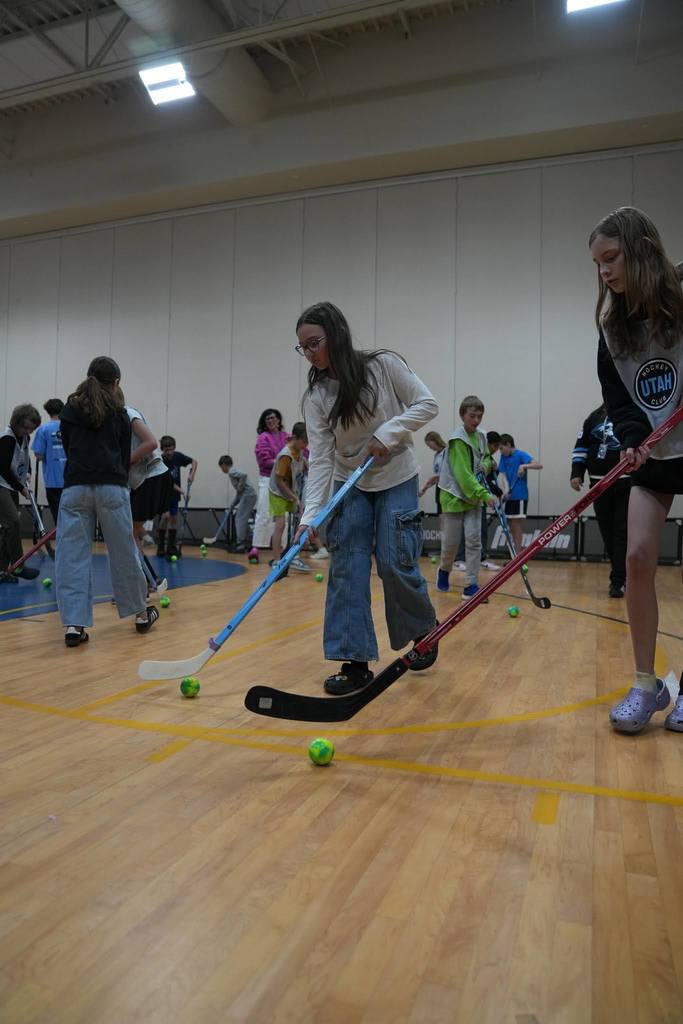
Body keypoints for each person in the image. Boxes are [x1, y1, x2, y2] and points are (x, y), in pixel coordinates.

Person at [293, 301, 439, 695]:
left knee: (394, 560)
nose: (309, 353)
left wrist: (388, 433)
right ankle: (354, 661)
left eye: (314, 343)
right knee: (348, 567)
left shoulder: (384, 365)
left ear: (336, 334)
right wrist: (309, 517)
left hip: (396, 474)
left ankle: (423, 629)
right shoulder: (317, 395)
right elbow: (321, 459)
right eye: (303, 347)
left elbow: (428, 404)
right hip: (350, 481)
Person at [589, 207, 683, 734]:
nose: (605, 271)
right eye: (598, 264)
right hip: (655, 452)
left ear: (642, 247)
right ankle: (647, 684)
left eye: (612, 257)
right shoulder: (612, 328)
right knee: (638, 557)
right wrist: (631, 439)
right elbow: (619, 397)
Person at [56, 356, 159, 646]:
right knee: (124, 552)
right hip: (112, 488)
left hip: (75, 488)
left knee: (71, 557)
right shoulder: (120, 413)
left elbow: (69, 448)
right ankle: (141, 614)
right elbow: (123, 454)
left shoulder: (69, 411)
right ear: (116, 383)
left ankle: (74, 626)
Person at [437, 396, 497, 597]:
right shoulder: (457, 441)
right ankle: (444, 570)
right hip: (454, 496)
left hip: (473, 497)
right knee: (451, 544)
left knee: (474, 541)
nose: (476, 420)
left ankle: (471, 585)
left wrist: (486, 466)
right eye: (472, 416)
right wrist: (485, 494)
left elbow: (487, 457)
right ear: (462, 415)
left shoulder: (482, 436)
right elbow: (463, 476)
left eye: (479, 416)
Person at [570, 403, 630, 598]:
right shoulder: (593, 417)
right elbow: (581, 446)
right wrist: (576, 473)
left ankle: (618, 580)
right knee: (608, 532)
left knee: (621, 532)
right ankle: (620, 573)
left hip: (626, 483)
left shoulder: (630, 411)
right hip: (599, 486)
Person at [127, 407, 174, 568]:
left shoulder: (128, 414)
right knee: (133, 528)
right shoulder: (124, 417)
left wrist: (125, 462)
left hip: (150, 477)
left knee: (132, 530)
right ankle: (145, 572)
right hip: (148, 479)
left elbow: (151, 443)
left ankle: (143, 575)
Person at [0, 404, 42, 582]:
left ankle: (2, 571)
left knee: (7, 529)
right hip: (2, 484)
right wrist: (21, 487)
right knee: (13, 522)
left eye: (32, 428)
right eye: (26, 427)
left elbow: (24, 457)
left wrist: (28, 472)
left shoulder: (24, 436)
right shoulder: (7, 439)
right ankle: (19, 566)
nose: (28, 431)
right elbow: (3, 468)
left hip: (10, 485)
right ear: (16, 422)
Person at [454, 429, 502, 572]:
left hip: (480, 499)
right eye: (495, 446)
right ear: (489, 444)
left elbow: (488, 479)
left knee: (482, 529)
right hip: (466, 497)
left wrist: (495, 469)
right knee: (465, 529)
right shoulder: (475, 455)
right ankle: (459, 559)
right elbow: (474, 479)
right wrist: (496, 491)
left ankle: (482, 558)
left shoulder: (489, 459)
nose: (496, 450)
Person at [268, 421, 309, 574]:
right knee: (280, 525)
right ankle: (276, 560)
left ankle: (293, 556)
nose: (306, 445)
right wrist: (294, 497)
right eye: (304, 441)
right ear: (295, 437)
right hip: (278, 493)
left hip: (291, 491)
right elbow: (279, 481)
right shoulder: (285, 455)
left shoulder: (299, 451)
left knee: (296, 525)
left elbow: (301, 465)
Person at [497, 433, 543, 552]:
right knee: (509, 525)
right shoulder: (503, 457)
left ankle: (518, 556)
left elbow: (539, 465)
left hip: (520, 495)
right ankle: (513, 555)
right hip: (509, 497)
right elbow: (503, 475)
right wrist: (505, 491)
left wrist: (524, 466)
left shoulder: (521, 454)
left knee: (516, 525)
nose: (500, 451)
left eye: (501, 448)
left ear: (508, 444)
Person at [253, 409, 289, 550]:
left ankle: (282, 546)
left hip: (284, 481)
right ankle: (256, 547)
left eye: (273, 418)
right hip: (267, 479)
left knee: (283, 516)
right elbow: (263, 460)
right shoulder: (263, 437)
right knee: (263, 512)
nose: (270, 421)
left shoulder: (287, 437)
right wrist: (283, 461)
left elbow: (298, 452)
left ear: (278, 420)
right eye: (267, 419)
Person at [157, 436, 197, 559]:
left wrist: (192, 474)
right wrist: (183, 492)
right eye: (166, 450)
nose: (169, 452)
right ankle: (160, 547)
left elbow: (194, 461)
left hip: (174, 495)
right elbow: (169, 483)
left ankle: (171, 547)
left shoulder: (178, 456)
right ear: (162, 450)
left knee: (173, 519)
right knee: (165, 517)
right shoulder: (160, 461)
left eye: (171, 449)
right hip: (163, 494)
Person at [31, 398, 67, 527]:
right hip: (70, 479)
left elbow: (39, 455)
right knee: (69, 514)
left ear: (48, 412)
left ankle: (60, 538)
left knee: (57, 516)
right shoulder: (70, 428)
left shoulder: (43, 429)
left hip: (52, 480)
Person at [218, 455, 257, 552]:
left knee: (239, 519)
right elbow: (239, 494)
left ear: (224, 465)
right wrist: (233, 504)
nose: (222, 470)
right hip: (249, 496)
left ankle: (240, 544)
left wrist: (239, 487)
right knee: (242, 519)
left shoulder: (231, 471)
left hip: (248, 496)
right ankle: (248, 542)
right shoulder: (233, 471)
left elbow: (244, 475)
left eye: (221, 467)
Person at [419, 431, 447, 513]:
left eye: (429, 445)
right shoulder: (437, 455)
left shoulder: (447, 452)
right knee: (440, 513)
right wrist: (424, 489)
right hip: (439, 486)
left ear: (435, 441)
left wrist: (434, 477)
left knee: (446, 514)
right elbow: (436, 477)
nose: (429, 447)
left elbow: (447, 473)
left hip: (447, 488)